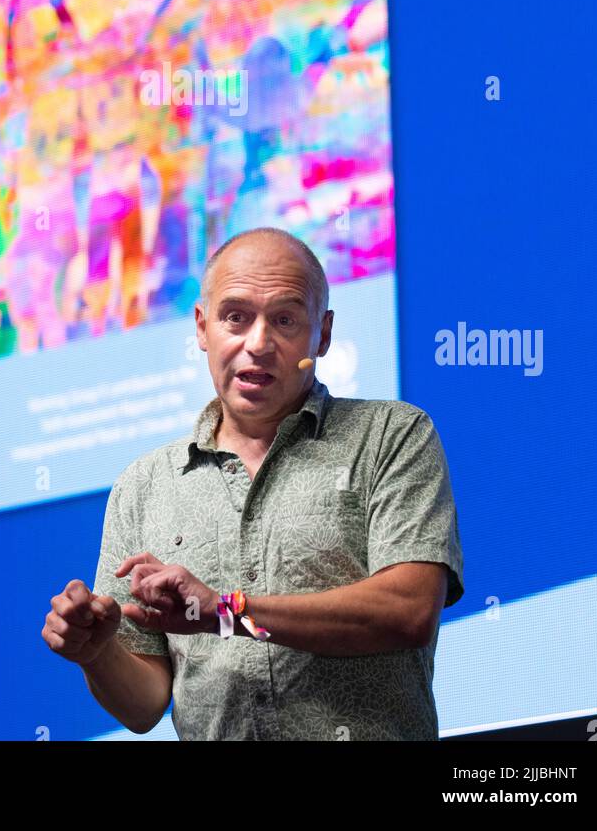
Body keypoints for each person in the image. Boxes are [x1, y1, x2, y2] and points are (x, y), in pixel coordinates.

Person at [41, 226, 464, 740]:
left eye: (285, 320)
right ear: (202, 327)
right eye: (235, 317)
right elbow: (144, 704)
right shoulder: (143, 485)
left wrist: (224, 611)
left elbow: (408, 610)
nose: (258, 343)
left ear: (322, 334)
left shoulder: (391, 436)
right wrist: (97, 654)